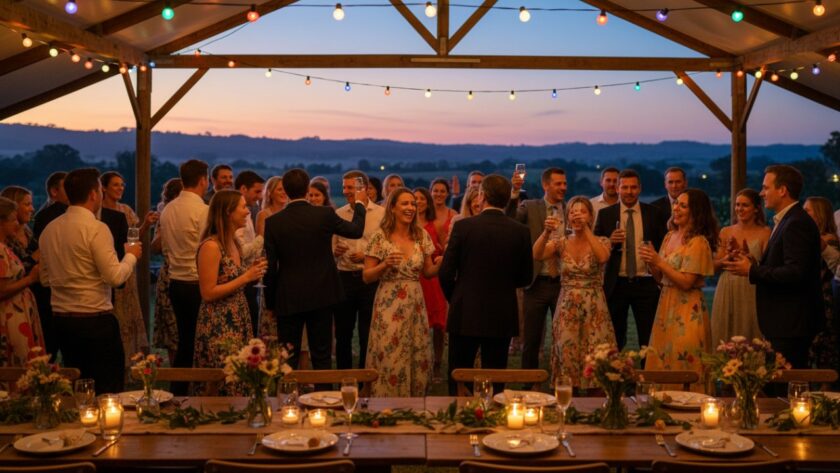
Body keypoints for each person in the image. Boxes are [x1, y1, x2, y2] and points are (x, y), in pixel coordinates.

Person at [39, 168, 141, 394]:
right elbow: (115, 277)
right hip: (95, 321)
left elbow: (45, 279)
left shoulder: (50, 229)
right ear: (94, 194)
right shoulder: (96, 228)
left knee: (78, 386)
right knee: (107, 389)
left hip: (62, 322)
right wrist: (131, 255)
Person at [263, 169, 366, 372]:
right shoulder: (324, 214)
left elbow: (271, 267)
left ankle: (288, 392)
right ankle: (323, 392)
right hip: (322, 294)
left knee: (287, 357)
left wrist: (271, 302)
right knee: (321, 356)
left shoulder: (273, 222)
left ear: (286, 191)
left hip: (288, 296)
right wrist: (360, 204)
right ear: (306, 189)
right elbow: (356, 230)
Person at [440, 175, 533, 395]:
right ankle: (495, 413)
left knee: (459, 375)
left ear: (482, 196)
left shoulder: (463, 227)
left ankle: (458, 412)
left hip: (465, 311)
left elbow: (445, 273)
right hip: (502, 313)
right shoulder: (520, 231)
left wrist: (457, 297)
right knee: (496, 376)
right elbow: (525, 278)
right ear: (506, 198)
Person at [725, 165, 822, 369]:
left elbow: (796, 272)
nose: (761, 193)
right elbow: (782, 265)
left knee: (786, 383)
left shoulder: (796, 223)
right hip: (783, 323)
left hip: (790, 324)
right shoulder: (787, 220)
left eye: (766, 187)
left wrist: (752, 271)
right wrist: (752, 261)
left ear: (782, 190)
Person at [363, 188, 442, 396]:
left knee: (416, 352)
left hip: (415, 302)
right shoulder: (380, 237)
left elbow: (428, 272)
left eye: (413, 204)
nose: (410, 208)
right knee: (390, 351)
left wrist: (441, 264)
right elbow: (367, 276)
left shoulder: (421, 235)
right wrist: (384, 265)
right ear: (392, 208)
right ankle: (386, 401)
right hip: (389, 303)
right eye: (405, 203)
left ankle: (414, 403)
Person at [533, 196, 614, 388]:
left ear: (591, 216)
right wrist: (546, 232)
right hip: (567, 306)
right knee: (567, 354)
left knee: (596, 356)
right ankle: (569, 398)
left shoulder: (602, 240)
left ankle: (597, 401)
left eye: (582, 212)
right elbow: (537, 254)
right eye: (573, 212)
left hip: (594, 307)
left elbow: (603, 257)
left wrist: (585, 229)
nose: (577, 216)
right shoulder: (561, 243)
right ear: (568, 216)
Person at [641, 189, 717, 391]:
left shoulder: (698, 242)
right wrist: (651, 263)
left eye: (683, 205)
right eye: (676, 204)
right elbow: (661, 279)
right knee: (662, 357)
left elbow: (686, 282)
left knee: (683, 357)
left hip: (687, 310)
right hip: (665, 306)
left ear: (696, 211)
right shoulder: (669, 236)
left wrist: (659, 262)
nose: (676, 208)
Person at [194, 190, 266, 394]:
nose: (248, 212)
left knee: (240, 377)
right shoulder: (211, 246)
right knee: (221, 380)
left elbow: (233, 278)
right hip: (218, 322)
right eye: (243, 207)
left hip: (238, 317)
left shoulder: (233, 242)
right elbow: (207, 292)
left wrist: (252, 271)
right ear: (228, 212)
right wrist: (246, 277)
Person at [593, 169, 667, 350]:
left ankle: (647, 368)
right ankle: (613, 368)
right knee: (615, 337)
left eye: (633, 187)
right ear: (618, 189)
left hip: (646, 283)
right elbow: (595, 249)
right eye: (624, 187)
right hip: (616, 283)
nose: (629, 191)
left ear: (640, 189)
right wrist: (610, 241)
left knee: (648, 337)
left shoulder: (654, 213)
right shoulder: (606, 214)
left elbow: (664, 247)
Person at [506, 167, 567, 370]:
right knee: (531, 340)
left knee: (564, 338)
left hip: (563, 283)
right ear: (545, 185)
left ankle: (562, 379)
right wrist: (514, 192)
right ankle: (529, 381)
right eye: (558, 184)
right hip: (536, 283)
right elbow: (510, 220)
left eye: (565, 183)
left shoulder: (570, 209)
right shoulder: (531, 206)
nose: (563, 187)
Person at [159, 159, 209, 394]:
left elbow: (165, 249)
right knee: (200, 342)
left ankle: (178, 389)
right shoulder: (203, 211)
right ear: (203, 180)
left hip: (175, 282)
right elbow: (207, 249)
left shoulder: (168, 209)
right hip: (197, 283)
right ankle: (198, 390)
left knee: (185, 340)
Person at [100, 171, 154, 369]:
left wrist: (146, 224)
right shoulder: (97, 212)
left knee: (128, 316)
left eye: (122, 185)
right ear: (103, 188)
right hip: (107, 266)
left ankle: (130, 362)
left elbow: (132, 238)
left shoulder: (126, 210)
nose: (120, 188)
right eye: (115, 184)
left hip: (126, 266)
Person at [333, 171, 385, 370]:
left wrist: (367, 255)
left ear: (364, 189)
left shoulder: (381, 214)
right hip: (344, 277)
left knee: (367, 333)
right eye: (344, 187)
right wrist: (335, 251)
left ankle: (366, 379)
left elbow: (387, 246)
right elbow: (332, 246)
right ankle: (343, 378)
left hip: (369, 279)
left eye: (350, 188)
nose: (345, 191)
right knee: (343, 334)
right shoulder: (339, 213)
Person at [710, 188, 769, 344]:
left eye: (745, 205)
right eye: (737, 205)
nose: (739, 209)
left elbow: (768, 266)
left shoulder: (765, 233)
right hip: (727, 287)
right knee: (723, 334)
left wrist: (750, 258)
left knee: (750, 335)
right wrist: (727, 257)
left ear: (756, 209)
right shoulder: (726, 232)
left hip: (751, 288)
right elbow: (713, 267)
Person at [0, 196, 45, 366]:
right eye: (12, 219)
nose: (17, 224)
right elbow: (2, 290)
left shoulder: (5, 246)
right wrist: (31, 278)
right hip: (10, 318)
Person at [414, 187, 448, 381]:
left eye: (422, 199)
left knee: (438, 325)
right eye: (415, 199)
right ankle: (419, 362)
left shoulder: (436, 225)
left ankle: (437, 363)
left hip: (433, 279)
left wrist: (439, 257)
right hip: (415, 277)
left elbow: (445, 250)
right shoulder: (407, 226)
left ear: (428, 203)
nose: (418, 202)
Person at [803, 197, 839, 372]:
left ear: (819, 214)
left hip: (824, 299)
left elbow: (832, 266)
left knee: (824, 345)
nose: (803, 214)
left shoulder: (829, 240)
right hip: (812, 298)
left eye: (807, 210)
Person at [152, 178, 182, 365]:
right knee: (172, 327)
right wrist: (165, 229)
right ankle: (174, 369)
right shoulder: (164, 215)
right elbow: (154, 248)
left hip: (191, 273)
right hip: (169, 274)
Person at [233, 170, 266, 333]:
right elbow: (241, 252)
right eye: (257, 192)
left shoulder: (247, 211)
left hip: (250, 275)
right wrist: (261, 237)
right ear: (243, 189)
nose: (260, 197)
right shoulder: (238, 215)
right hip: (242, 278)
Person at [0, 186, 37, 275]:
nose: (32, 209)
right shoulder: (4, 239)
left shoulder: (29, 232)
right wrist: (36, 256)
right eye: (27, 204)